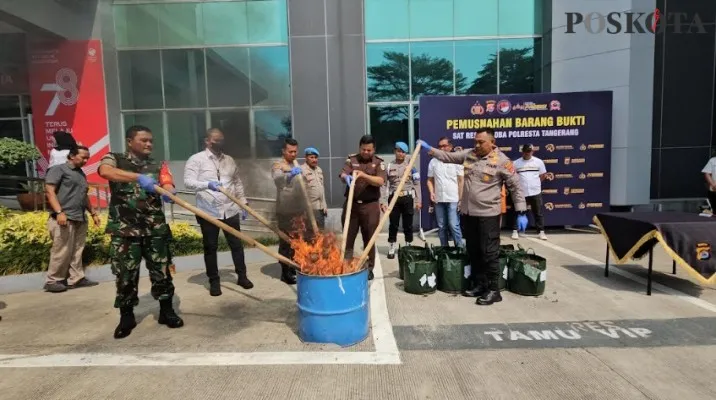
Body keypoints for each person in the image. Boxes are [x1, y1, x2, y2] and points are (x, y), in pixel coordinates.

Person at [418, 128, 527, 306]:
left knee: (489, 253)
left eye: (480, 142)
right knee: (474, 251)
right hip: (469, 213)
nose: (476, 145)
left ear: (492, 142)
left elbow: (516, 187)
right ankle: (480, 284)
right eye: (475, 141)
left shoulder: (502, 161)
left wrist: (521, 212)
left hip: (488, 215)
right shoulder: (470, 155)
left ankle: (493, 290)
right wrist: (429, 149)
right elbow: (449, 157)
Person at [98, 125, 183, 339]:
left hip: (155, 230)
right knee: (125, 275)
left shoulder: (158, 164)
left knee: (161, 272)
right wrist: (138, 178)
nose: (149, 144)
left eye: (151, 141)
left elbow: (167, 181)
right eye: (144, 140)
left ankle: (166, 311)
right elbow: (105, 172)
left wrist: (169, 191)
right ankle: (127, 316)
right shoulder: (114, 159)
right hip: (125, 230)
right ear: (129, 141)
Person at [184, 128, 252, 297]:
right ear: (207, 141)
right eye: (216, 140)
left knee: (236, 245)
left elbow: (237, 182)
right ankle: (214, 281)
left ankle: (242, 276)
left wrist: (243, 203)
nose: (220, 143)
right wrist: (207, 185)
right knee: (210, 247)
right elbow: (188, 182)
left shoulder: (229, 160)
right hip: (208, 212)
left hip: (230, 210)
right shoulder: (196, 159)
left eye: (222, 139)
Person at [43, 145, 101, 293]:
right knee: (61, 250)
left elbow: (84, 195)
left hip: (79, 216)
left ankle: (76, 278)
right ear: (72, 156)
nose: (86, 160)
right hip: (64, 216)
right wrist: (59, 212)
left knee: (77, 250)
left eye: (88, 157)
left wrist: (93, 213)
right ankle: (53, 280)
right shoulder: (58, 169)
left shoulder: (81, 173)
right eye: (83, 157)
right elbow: (49, 191)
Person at [339, 135, 386, 281]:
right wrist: (345, 177)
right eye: (363, 149)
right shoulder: (352, 160)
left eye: (369, 150)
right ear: (359, 148)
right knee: (348, 237)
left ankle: (369, 267)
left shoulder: (378, 163)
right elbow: (342, 173)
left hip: (370, 206)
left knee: (369, 238)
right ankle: (346, 265)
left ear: (374, 149)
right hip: (352, 205)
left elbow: (380, 181)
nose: (366, 152)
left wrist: (364, 176)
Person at [272, 138, 305, 285]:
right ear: (283, 151)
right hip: (285, 210)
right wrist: (290, 174)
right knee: (286, 242)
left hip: (298, 209)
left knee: (297, 241)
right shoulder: (278, 165)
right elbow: (278, 179)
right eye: (290, 151)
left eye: (295, 151)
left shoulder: (296, 164)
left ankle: (293, 268)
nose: (293, 154)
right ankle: (285, 272)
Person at [383, 142, 421, 259]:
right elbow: (384, 185)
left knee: (408, 224)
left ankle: (408, 245)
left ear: (405, 153)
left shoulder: (411, 166)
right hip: (394, 198)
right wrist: (383, 201)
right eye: (398, 151)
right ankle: (392, 246)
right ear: (395, 151)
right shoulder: (389, 166)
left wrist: (418, 200)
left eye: (403, 152)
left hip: (407, 197)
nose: (400, 154)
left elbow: (417, 184)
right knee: (393, 224)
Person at [427, 137, 464, 248]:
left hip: (453, 198)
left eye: (444, 146)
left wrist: (461, 199)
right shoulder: (433, 161)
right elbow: (429, 180)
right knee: (442, 226)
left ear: (450, 147)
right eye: (440, 146)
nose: (442, 148)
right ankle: (445, 250)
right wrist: (431, 192)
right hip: (439, 199)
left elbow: (461, 180)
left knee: (453, 225)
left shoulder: (457, 160)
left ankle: (460, 250)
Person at [512, 144, 548, 240]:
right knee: (518, 212)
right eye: (525, 151)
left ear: (532, 151)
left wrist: (534, 184)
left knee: (538, 212)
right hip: (521, 192)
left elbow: (543, 175)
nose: (527, 153)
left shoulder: (539, 162)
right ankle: (515, 231)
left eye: (529, 151)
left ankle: (541, 232)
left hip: (535, 191)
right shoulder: (516, 163)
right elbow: (512, 177)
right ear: (522, 151)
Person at [301, 147, 328, 238]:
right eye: (311, 157)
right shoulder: (301, 170)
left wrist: (324, 205)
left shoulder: (319, 170)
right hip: (309, 209)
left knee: (320, 235)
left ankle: (318, 252)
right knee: (310, 236)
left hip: (320, 208)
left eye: (315, 157)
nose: (314, 160)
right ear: (306, 158)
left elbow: (322, 188)